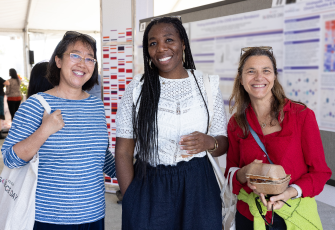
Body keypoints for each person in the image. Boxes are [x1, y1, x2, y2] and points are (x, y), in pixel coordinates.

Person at [115, 17, 228, 229]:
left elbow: (223, 144)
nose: (161, 48)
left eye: (169, 40)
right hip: (150, 185)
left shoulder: (207, 85)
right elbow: (122, 152)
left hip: (199, 187)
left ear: (183, 43)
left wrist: (208, 142)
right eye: (153, 43)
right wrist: (132, 198)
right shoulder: (137, 89)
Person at [1, 31, 115, 230]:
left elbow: (100, 156)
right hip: (49, 218)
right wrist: (44, 131)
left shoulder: (96, 106)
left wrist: (136, 175)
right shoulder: (36, 105)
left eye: (90, 59)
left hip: (94, 214)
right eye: (75, 55)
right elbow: (10, 159)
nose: (82, 63)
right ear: (59, 61)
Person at [225, 46, 332, 230]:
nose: (259, 77)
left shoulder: (302, 116)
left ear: (274, 77)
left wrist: (290, 192)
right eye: (251, 71)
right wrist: (246, 171)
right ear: (241, 79)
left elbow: (320, 172)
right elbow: (231, 173)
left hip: (292, 215)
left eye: (266, 71)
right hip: (250, 217)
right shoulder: (236, 124)